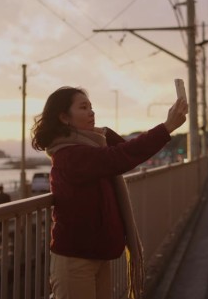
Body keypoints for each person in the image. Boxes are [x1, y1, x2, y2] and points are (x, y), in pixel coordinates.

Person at [31, 86, 188, 299]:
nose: (91, 112)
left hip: (97, 255)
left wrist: (103, 133)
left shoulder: (91, 149)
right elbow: (120, 157)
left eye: (91, 107)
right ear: (64, 117)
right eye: (83, 107)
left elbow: (121, 151)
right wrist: (167, 127)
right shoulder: (70, 156)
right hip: (75, 261)